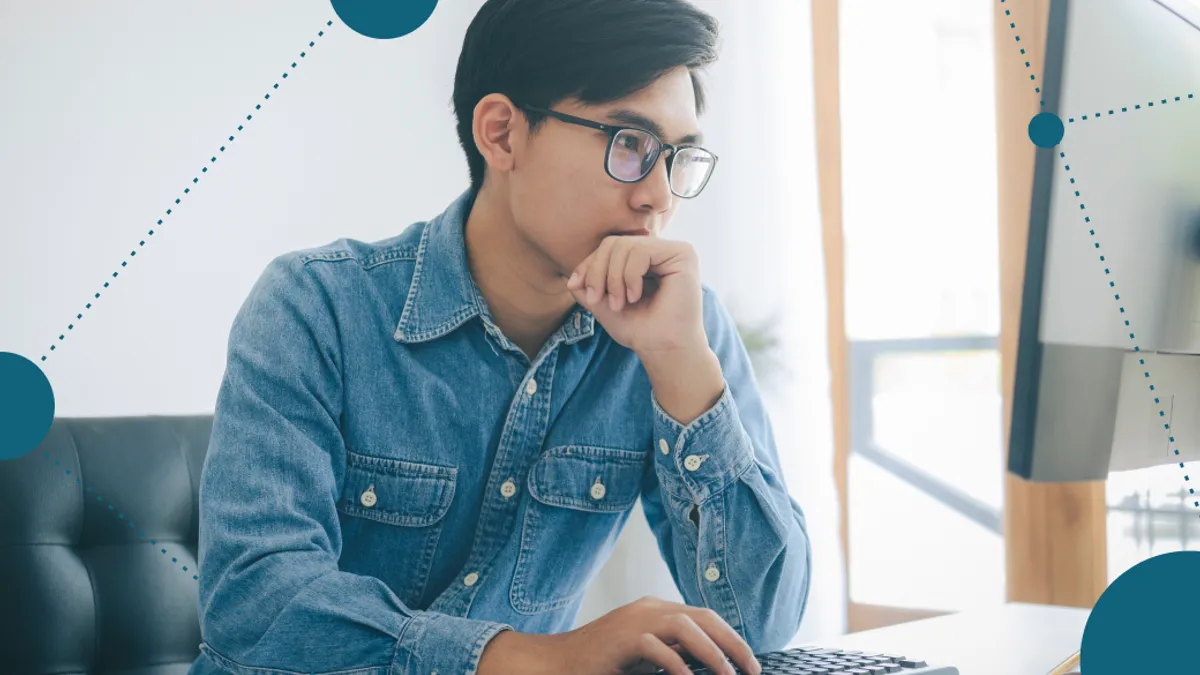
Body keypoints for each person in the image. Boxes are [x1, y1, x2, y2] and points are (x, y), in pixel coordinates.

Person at [190, 0, 812, 673]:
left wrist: (681, 368)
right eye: (629, 144)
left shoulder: (679, 329)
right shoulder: (315, 307)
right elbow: (257, 606)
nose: (660, 198)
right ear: (501, 134)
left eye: (678, 157)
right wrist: (542, 659)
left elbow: (762, 629)